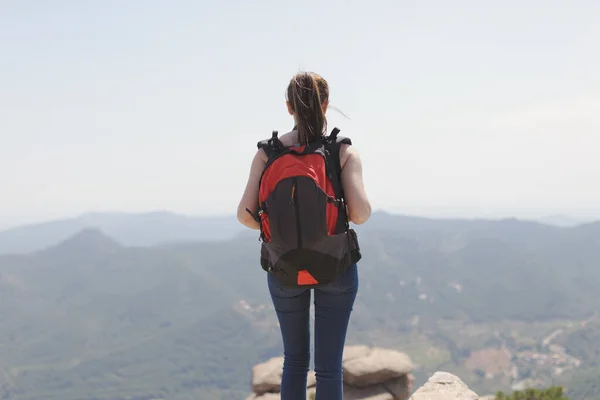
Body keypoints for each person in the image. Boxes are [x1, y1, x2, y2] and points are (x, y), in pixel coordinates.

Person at [236, 71, 371, 400]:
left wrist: (275, 231)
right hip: (335, 265)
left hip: (283, 267)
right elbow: (361, 214)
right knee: (328, 368)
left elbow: (244, 214)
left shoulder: (267, 152)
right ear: (326, 105)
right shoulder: (341, 151)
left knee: (294, 361)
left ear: (288, 107)